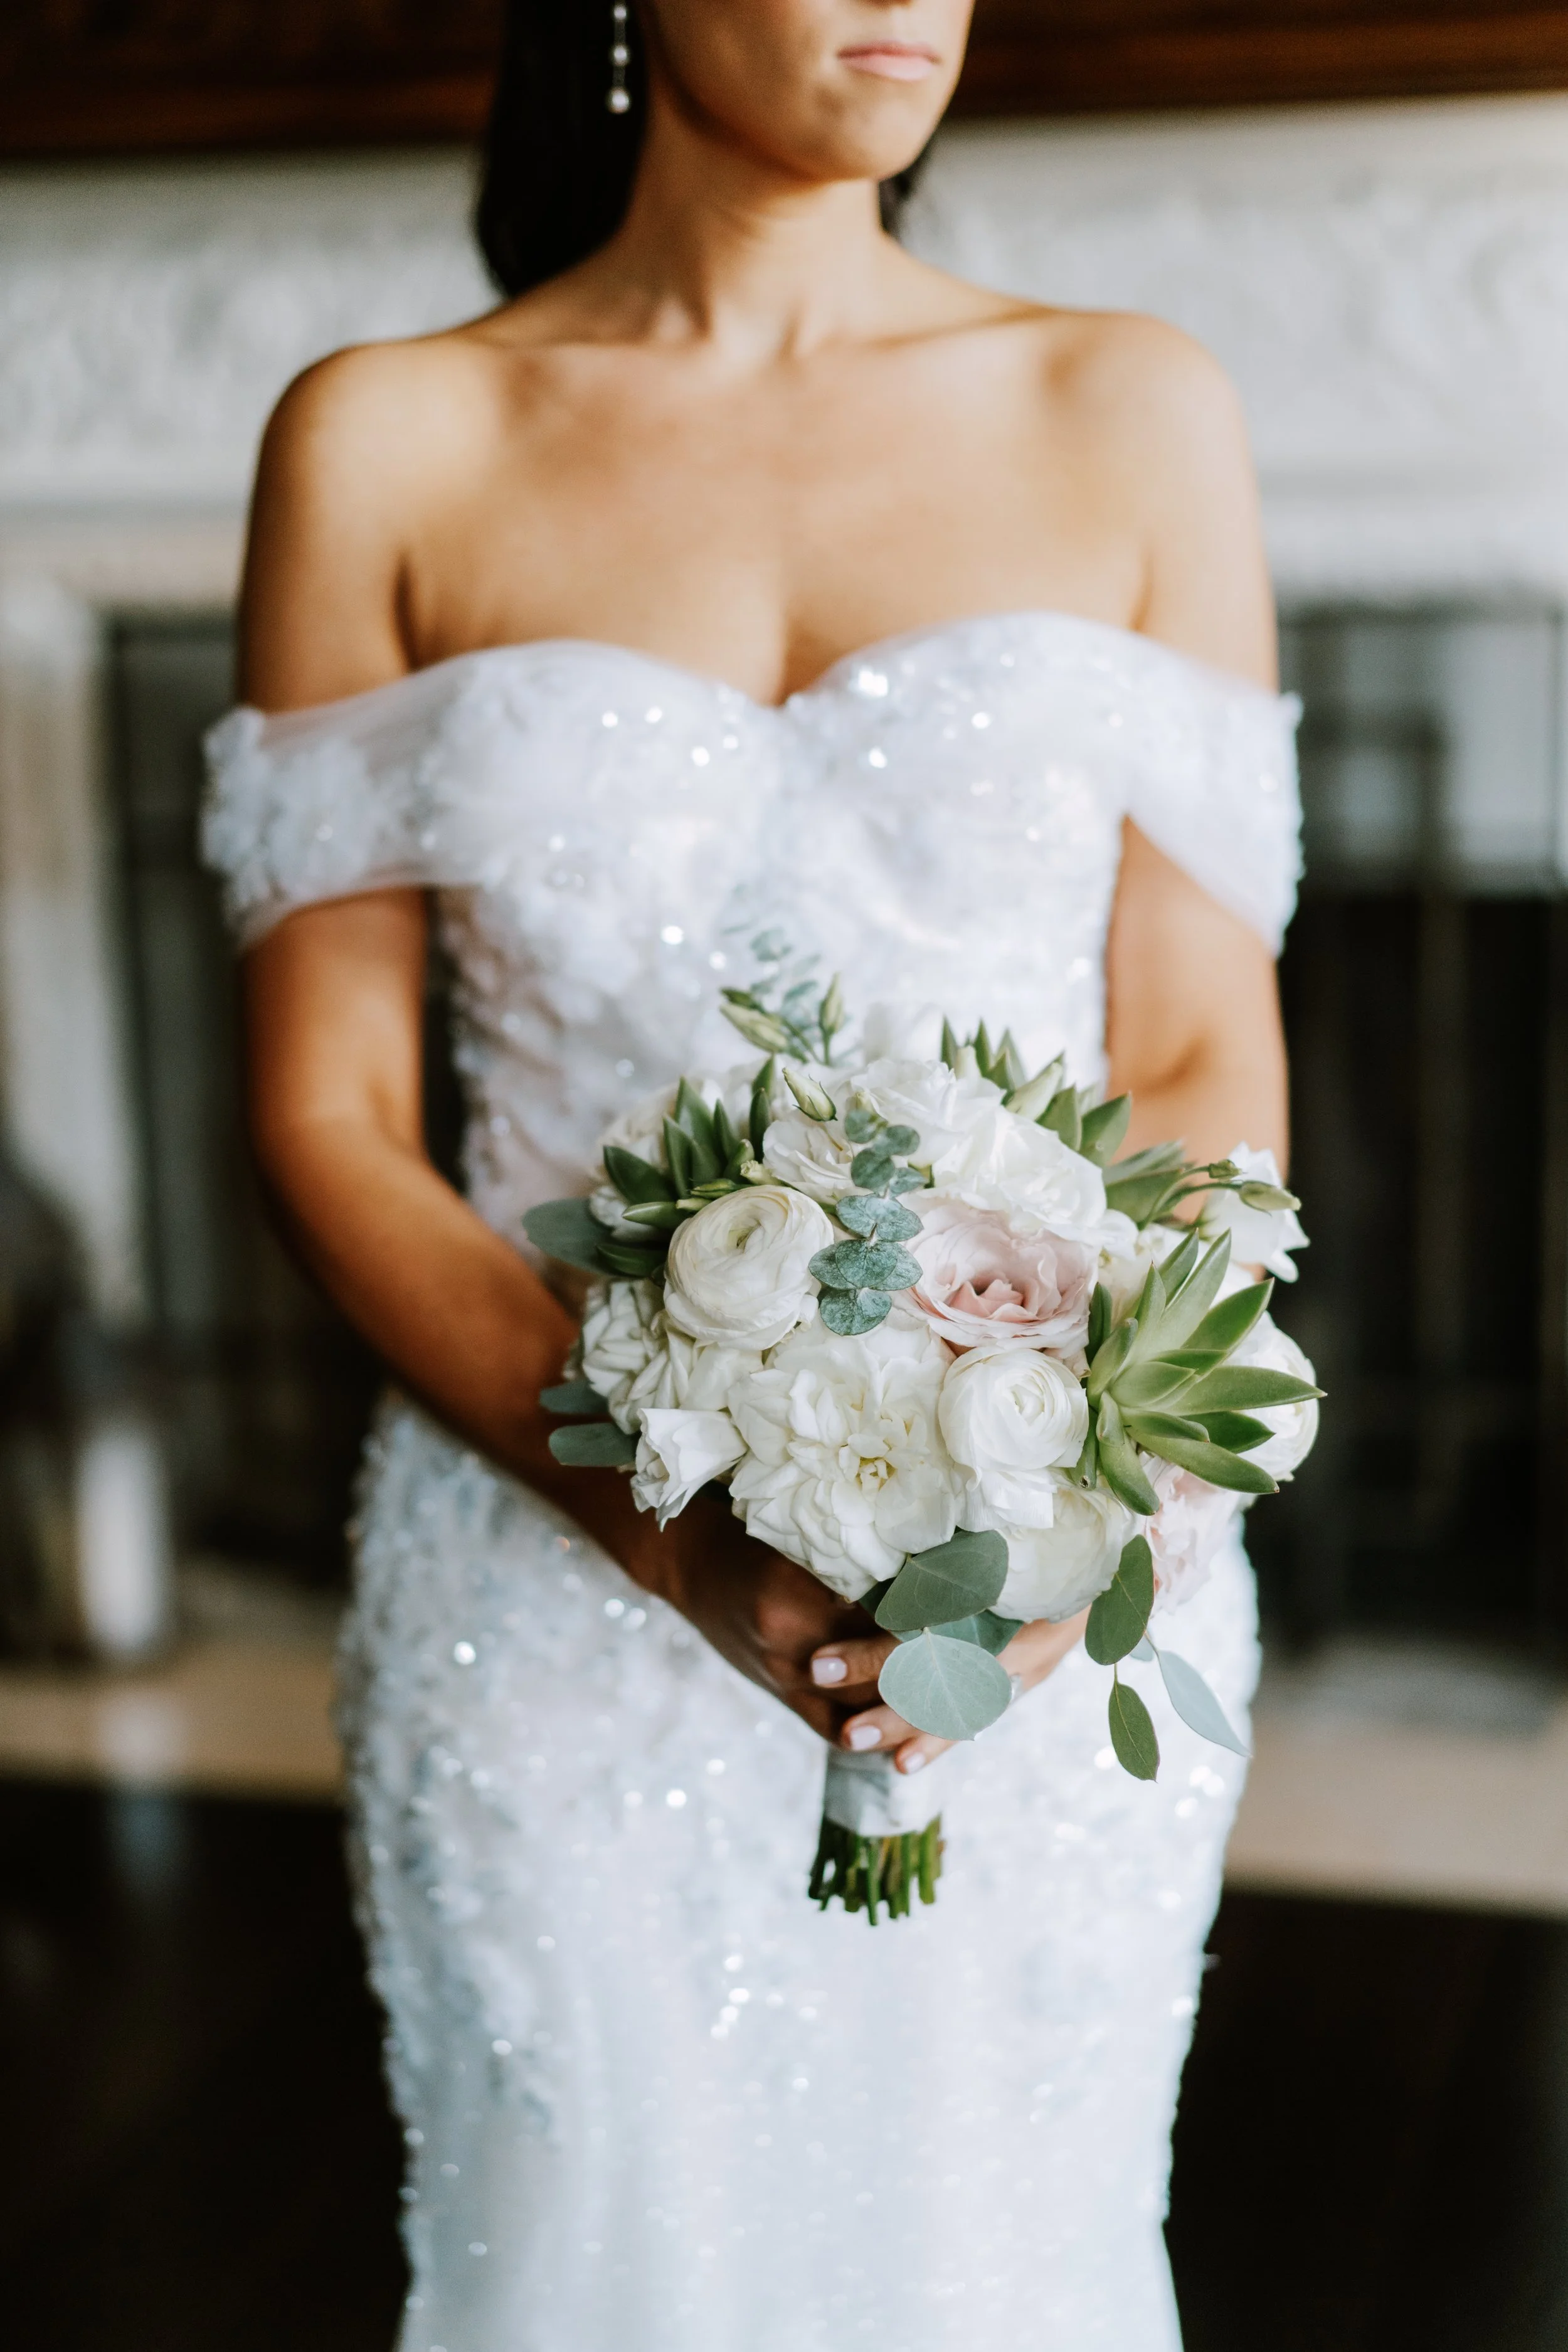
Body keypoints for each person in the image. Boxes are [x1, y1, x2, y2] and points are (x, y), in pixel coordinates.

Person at [204, 3, 1300, 2344]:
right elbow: (324, 1114)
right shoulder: (385, 439)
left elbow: (1201, 1042)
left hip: (1039, 1582)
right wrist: (666, 1525)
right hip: (547, 1597)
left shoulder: (1132, 410)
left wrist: (1083, 1496)